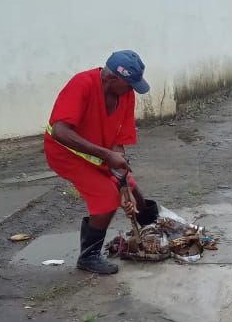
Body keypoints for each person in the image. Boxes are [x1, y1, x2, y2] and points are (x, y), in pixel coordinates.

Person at [45, 50, 158, 275]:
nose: (131, 90)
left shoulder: (125, 94)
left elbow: (119, 140)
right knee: (107, 199)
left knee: (131, 185)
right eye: (129, 84)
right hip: (65, 153)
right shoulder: (82, 84)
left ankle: (145, 218)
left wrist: (122, 180)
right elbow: (60, 131)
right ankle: (88, 257)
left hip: (100, 154)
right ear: (112, 78)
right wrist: (107, 158)